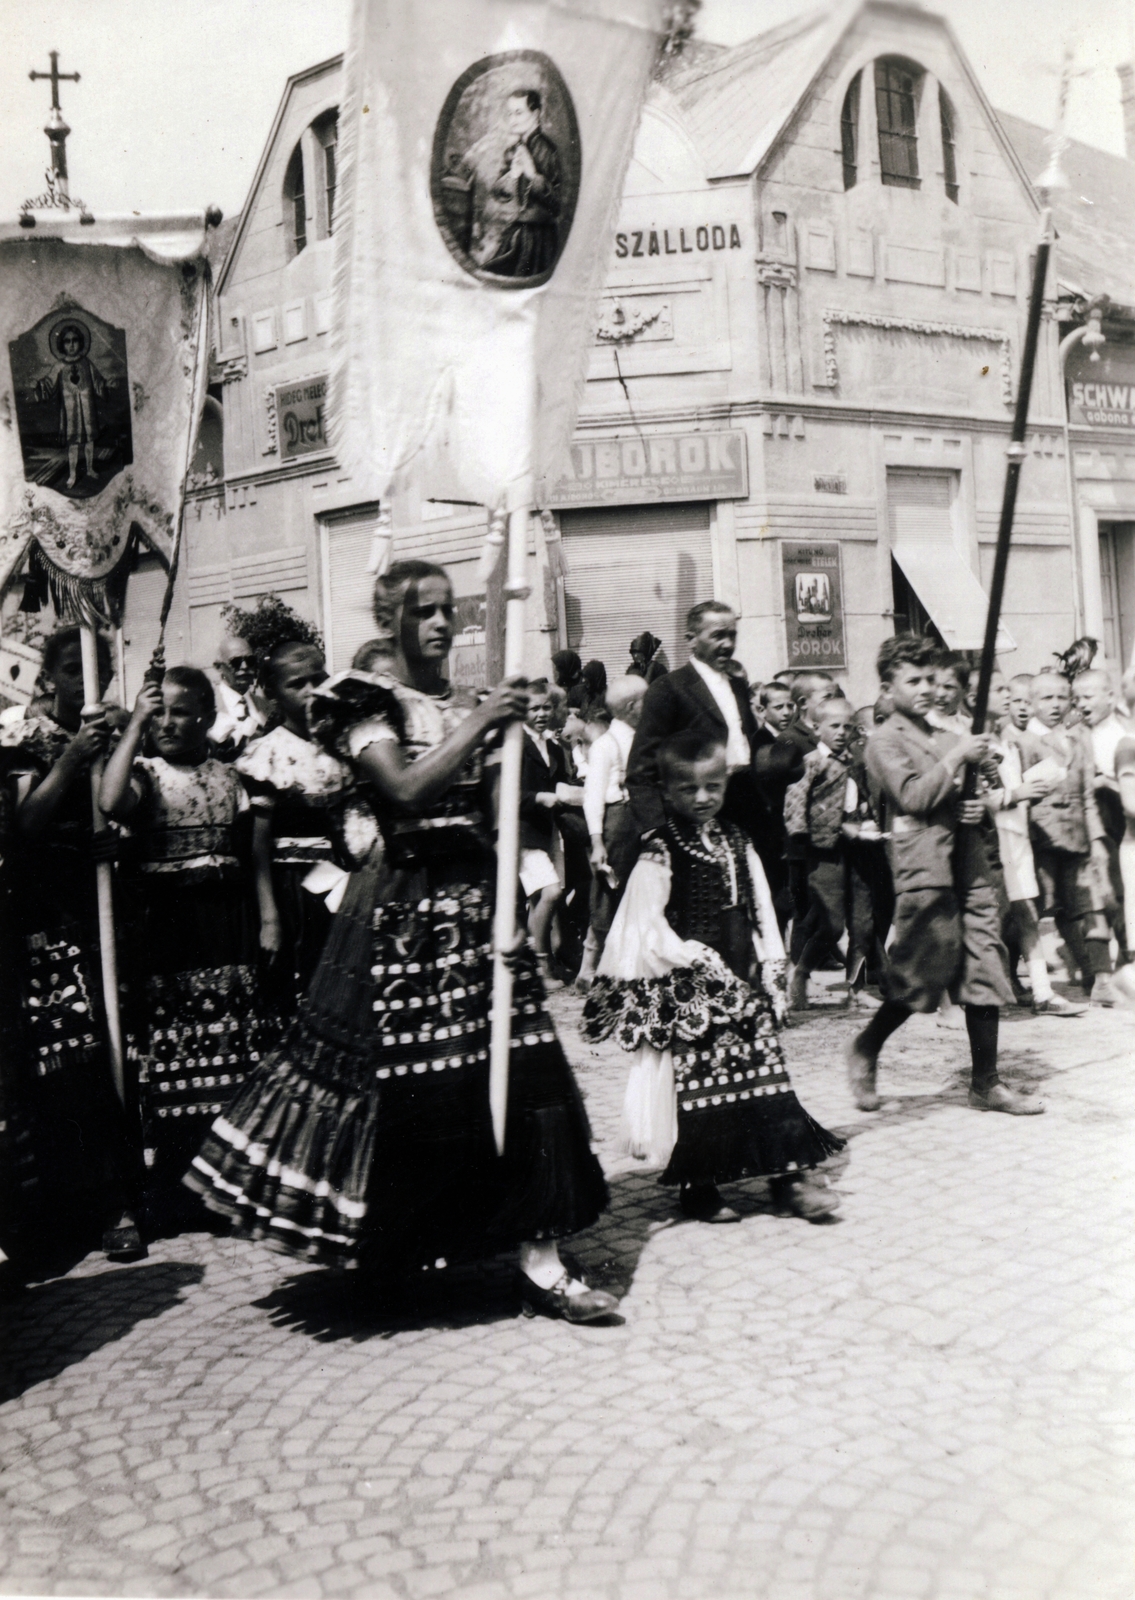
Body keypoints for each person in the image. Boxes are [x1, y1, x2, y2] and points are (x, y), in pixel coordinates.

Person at [186, 560, 614, 1321]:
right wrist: (486, 723)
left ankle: (540, 1258)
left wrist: (512, 904)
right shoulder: (364, 702)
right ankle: (399, 1244)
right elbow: (404, 792)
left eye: (450, 609)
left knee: (527, 1072)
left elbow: (491, 818)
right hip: (402, 912)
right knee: (416, 1084)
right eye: (425, 612)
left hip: (476, 903)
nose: (443, 624)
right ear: (391, 621)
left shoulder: (469, 706)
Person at [582, 731, 842, 1223]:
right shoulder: (660, 850)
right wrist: (691, 956)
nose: (702, 799)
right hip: (691, 987)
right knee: (699, 1086)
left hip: (741, 980)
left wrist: (771, 965)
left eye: (713, 787)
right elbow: (646, 922)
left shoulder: (737, 841)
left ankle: (788, 1178)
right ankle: (699, 1185)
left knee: (768, 1078)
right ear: (666, 791)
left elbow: (762, 906)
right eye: (688, 790)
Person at [100, 666, 273, 1222]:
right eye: (160, 712)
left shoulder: (230, 776)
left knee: (228, 1052)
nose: (168, 723)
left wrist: (267, 916)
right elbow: (110, 802)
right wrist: (134, 726)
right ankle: (176, 1182)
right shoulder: (144, 773)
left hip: (226, 924)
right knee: (176, 1055)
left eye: (180, 712)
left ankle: (224, 1180)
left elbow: (252, 857)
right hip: (169, 930)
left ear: (206, 716)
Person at [847, 634, 1042, 1117]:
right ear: (888, 689)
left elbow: (979, 793)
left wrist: (978, 800)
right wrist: (958, 760)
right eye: (913, 681)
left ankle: (986, 1083)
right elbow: (913, 796)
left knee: (984, 963)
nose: (926, 689)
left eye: (931, 679)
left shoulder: (949, 736)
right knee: (920, 976)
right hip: (925, 868)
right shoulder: (883, 741)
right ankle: (866, 1047)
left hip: (971, 864)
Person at [0, 627, 143, 1259]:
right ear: (49, 677)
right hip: (42, 913)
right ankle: (72, 1202)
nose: (86, 680)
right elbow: (26, 822)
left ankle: (120, 1197)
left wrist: (113, 843)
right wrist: (70, 758)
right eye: (71, 669)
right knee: (61, 1060)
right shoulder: (23, 737)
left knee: (114, 1048)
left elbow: (129, 802)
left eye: (96, 669)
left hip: (98, 909)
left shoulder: (108, 733)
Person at [234, 613, 374, 1017]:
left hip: (345, 881)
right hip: (291, 889)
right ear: (272, 693)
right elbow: (259, 847)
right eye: (297, 684)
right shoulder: (267, 754)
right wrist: (270, 917)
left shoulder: (347, 744)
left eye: (319, 679)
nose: (311, 691)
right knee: (297, 988)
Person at [628, 603, 776, 886]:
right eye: (718, 635)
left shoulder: (737, 686)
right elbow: (640, 769)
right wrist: (656, 830)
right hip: (697, 811)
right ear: (691, 639)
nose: (727, 644)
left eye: (732, 635)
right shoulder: (669, 688)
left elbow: (749, 747)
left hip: (747, 807)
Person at [986, 672, 1080, 1015]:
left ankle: (1042, 993)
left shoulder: (1008, 741)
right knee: (992, 918)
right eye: (1001, 691)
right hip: (991, 839)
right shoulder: (972, 740)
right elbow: (972, 799)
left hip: (1016, 834)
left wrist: (1028, 787)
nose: (1009, 698)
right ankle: (961, 995)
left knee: (1026, 914)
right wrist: (1017, 793)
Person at [1018, 671, 1112, 1004]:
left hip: (1077, 838)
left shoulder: (1078, 737)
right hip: (1040, 840)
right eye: (1046, 698)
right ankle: (1009, 975)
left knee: (1086, 905)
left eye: (1062, 697)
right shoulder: (1023, 742)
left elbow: (1087, 795)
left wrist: (1097, 838)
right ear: (1030, 703)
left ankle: (1096, 977)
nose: (1056, 705)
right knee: (1036, 907)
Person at [783, 698, 879, 1012]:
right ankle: (801, 974)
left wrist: (867, 816)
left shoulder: (855, 758)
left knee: (863, 922)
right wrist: (801, 835)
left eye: (847, 727)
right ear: (816, 727)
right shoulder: (813, 761)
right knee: (832, 922)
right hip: (824, 850)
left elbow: (861, 794)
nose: (841, 732)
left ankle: (856, 988)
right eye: (834, 726)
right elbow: (796, 799)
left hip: (860, 847)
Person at [576, 676, 646, 990]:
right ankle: (589, 968)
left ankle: (628, 965)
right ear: (632, 707)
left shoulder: (645, 738)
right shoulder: (607, 744)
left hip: (642, 821)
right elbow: (593, 796)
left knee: (639, 892)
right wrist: (596, 841)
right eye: (646, 700)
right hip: (618, 823)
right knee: (608, 893)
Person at [511, 679, 574, 989]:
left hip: (548, 830)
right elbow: (508, 793)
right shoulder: (516, 744)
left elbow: (562, 784)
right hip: (523, 833)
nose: (540, 714)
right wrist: (538, 797)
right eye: (533, 708)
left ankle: (545, 964)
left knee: (543, 898)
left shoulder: (552, 746)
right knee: (550, 893)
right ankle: (541, 966)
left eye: (546, 707)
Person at [1074, 668, 1130, 965]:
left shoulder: (1123, 735)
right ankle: (1096, 967)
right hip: (1085, 820)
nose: (1081, 704)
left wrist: (1104, 780)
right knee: (1093, 893)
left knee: (1118, 890)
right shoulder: (1077, 733)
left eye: (1088, 696)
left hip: (1116, 819)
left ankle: (1126, 955)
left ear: (1110, 697)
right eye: (1077, 698)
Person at [481, 89, 562, 279]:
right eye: (510, 113)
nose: (513, 119)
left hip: (539, 240)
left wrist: (533, 175)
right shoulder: (513, 150)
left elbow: (558, 205)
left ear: (535, 114)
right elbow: (497, 192)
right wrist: (512, 175)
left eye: (519, 113)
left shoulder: (546, 150)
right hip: (516, 234)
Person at [209, 631, 266, 757]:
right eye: (236, 662)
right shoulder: (207, 707)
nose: (245, 666)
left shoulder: (266, 706)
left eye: (250, 660)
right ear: (219, 667)